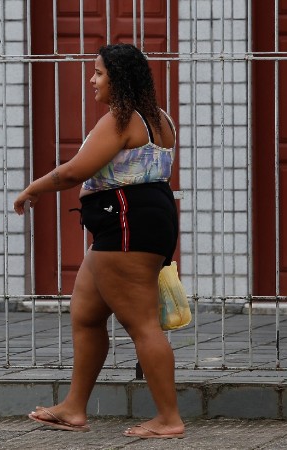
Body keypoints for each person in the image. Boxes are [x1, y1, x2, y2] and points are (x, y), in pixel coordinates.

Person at [14, 43, 185, 439]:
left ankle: (168, 419)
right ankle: (74, 407)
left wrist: (32, 190)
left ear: (119, 79)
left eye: (99, 73)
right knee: (87, 313)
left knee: (142, 323)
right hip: (137, 219)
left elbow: (75, 171)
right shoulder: (160, 118)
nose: (92, 80)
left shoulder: (120, 120)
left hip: (126, 223)